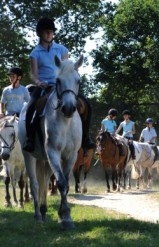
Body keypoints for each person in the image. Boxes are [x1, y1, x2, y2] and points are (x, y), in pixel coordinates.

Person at [23, 17, 95, 152]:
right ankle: (30, 139)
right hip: (44, 85)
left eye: (51, 32)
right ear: (39, 33)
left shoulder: (62, 49)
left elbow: (67, 68)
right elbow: (33, 74)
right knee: (31, 107)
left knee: (87, 106)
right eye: (46, 32)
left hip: (62, 85)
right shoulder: (35, 53)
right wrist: (38, 82)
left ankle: (86, 137)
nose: (49, 34)